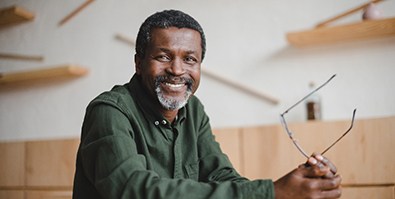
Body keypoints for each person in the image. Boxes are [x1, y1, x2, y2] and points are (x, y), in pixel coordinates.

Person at [72, 9, 342, 199]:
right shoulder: (109, 111)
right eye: (163, 57)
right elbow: (134, 191)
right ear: (139, 63)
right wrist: (271, 193)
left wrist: (296, 183)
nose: (177, 70)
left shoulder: (193, 109)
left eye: (190, 59)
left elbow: (222, 176)